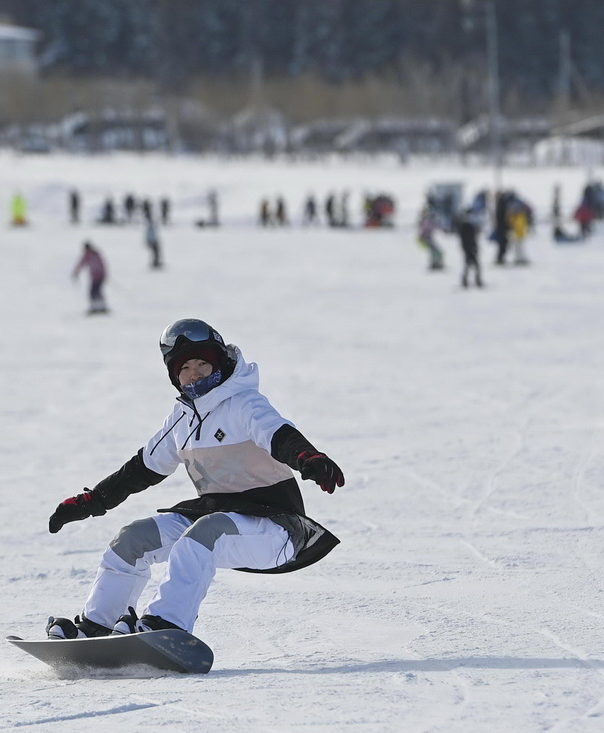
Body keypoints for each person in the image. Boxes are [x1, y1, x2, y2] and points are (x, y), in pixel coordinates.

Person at [44, 318, 343, 639]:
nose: (195, 372)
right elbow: (141, 469)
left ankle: (166, 625)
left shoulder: (244, 403)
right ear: (175, 375)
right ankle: (97, 625)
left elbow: (279, 434)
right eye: (185, 367)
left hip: (275, 529)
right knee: (133, 538)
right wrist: (93, 501)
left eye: (202, 363)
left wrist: (308, 458)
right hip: (216, 516)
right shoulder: (182, 419)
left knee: (201, 535)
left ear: (219, 363)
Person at [72, 241, 108, 314]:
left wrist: (104, 274)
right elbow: (81, 263)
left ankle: (101, 307)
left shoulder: (96, 255)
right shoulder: (87, 256)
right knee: (93, 292)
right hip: (94, 277)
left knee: (96, 292)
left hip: (99, 276)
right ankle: (95, 307)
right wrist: (76, 271)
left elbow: (102, 265)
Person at [456, 210, 483, 289]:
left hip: (469, 248)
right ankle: (475, 280)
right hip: (469, 248)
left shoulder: (465, 225)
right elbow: (468, 239)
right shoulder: (467, 226)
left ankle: (468, 280)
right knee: (472, 264)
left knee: (469, 264)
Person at [417, 204, 445, 271]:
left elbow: (434, 226)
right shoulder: (426, 220)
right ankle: (435, 264)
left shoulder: (427, 220)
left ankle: (436, 263)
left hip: (427, 238)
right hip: (425, 238)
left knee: (435, 251)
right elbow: (431, 226)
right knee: (435, 251)